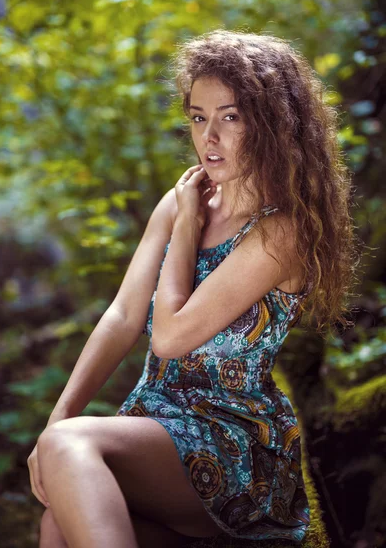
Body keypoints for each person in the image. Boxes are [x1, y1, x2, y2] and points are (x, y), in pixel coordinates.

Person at [27, 29, 360, 548]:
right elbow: (122, 315)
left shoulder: (282, 230)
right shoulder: (182, 199)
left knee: (69, 446)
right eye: (198, 116)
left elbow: (169, 336)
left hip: (235, 446)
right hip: (157, 421)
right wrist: (58, 417)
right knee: (56, 522)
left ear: (273, 124)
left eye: (230, 116)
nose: (209, 137)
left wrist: (185, 229)